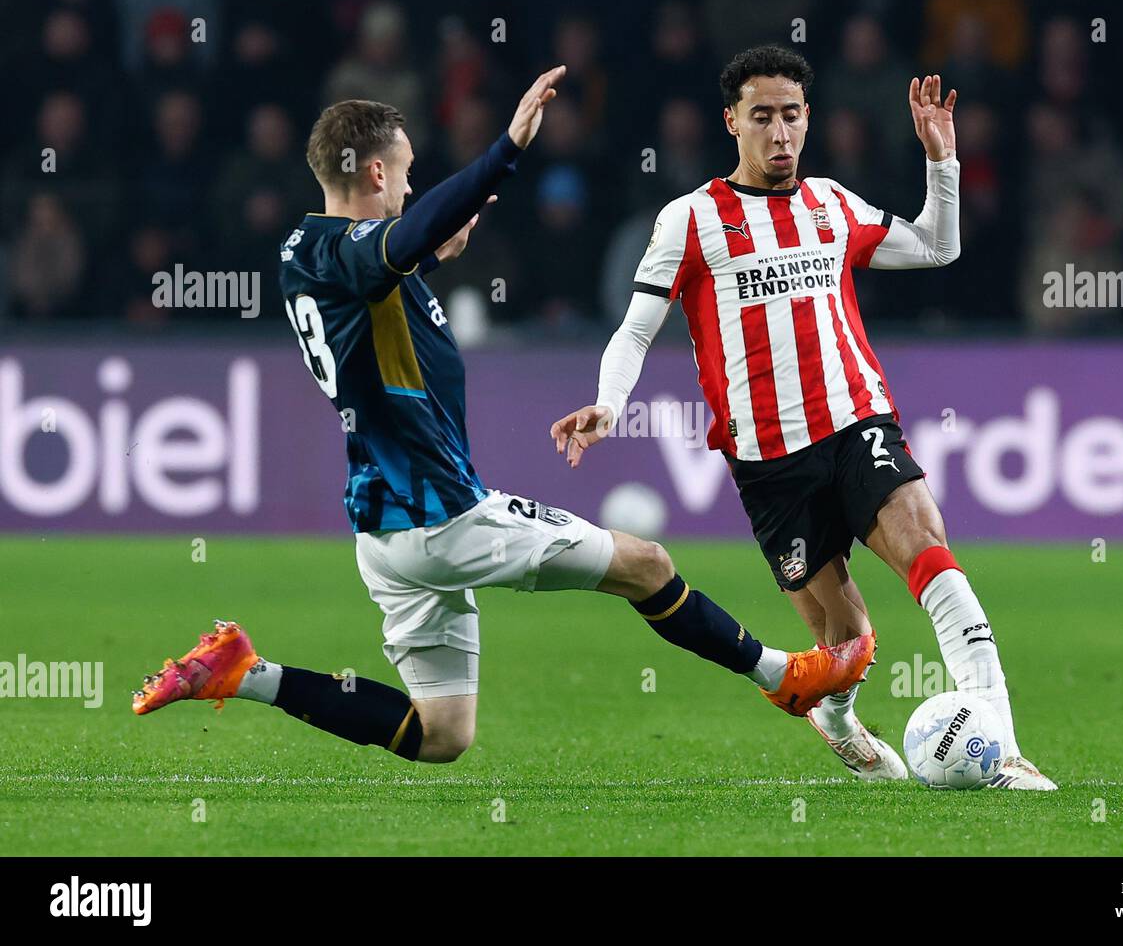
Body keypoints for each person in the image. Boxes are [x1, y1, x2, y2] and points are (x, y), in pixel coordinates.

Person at [133, 67, 873, 765]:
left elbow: (375, 279)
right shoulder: (360, 255)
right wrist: (508, 147)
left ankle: (245, 671)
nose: (415, 188)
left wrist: (426, 252)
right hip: (444, 518)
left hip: (384, 532)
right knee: (645, 563)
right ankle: (781, 675)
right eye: (410, 172)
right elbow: (385, 251)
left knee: (441, 734)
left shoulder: (305, 249)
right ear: (378, 174)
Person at [550, 46, 1055, 789]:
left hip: (857, 424)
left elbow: (940, 247)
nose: (779, 133)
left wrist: (941, 163)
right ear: (732, 123)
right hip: (769, 465)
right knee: (846, 646)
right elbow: (634, 329)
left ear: (807, 118)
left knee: (929, 550)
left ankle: (1004, 749)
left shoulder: (832, 205)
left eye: (791, 116)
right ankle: (838, 718)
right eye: (762, 118)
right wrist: (609, 404)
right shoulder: (690, 220)